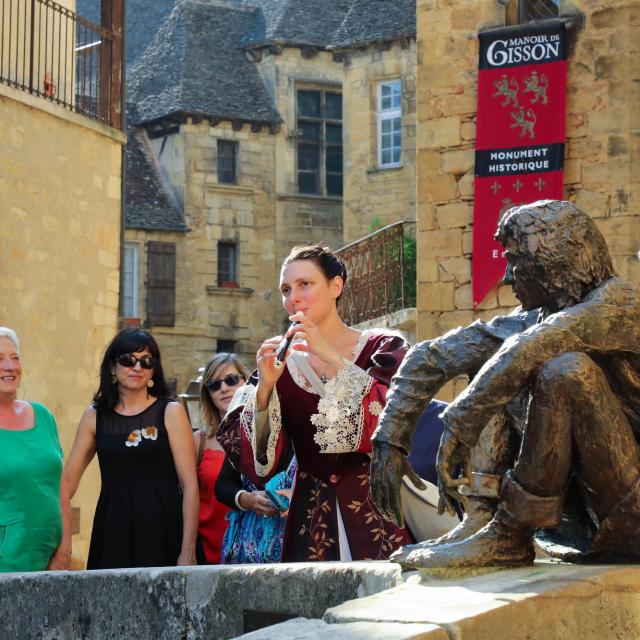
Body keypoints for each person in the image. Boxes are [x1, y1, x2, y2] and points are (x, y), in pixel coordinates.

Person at [371, 200, 640, 568]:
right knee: (496, 360)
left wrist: (459, 423)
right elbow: (429, 356)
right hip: (585, 523)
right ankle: (482, 520)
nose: (509, 277)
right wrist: (390, 439)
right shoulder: (532, 320)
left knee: (564, 371)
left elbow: (533, 347)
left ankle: (509, 535)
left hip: (632, 509)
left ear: (553, 259)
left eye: (516, 261)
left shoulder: (619, 305)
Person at [218, 245, 413, 561]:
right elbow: (252, 459)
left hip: (380, 511)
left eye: (304, 284)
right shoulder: (276, 365)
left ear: (336, 286)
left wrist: (331, 356)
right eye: (285, 289)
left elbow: (395, 418)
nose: (293, 297)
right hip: (310, 520)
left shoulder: (385, 347)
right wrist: (265, 388)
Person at [61, 328, 199, 569]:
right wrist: (62, 547)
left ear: (154, 370)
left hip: (163, 529)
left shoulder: (171, 412)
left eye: (147, 362)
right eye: (128, 360)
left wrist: (187, 551)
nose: (138, 368)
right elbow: (66, 485)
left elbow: (190, 486)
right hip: (112, 530)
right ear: (112, 368)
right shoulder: (94, 417)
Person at [0, 327, 68, 572]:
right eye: (0, 358)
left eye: (15, 357)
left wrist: (64, 553)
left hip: (51, 562)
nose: (9, 366)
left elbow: (60, 487)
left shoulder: (43, 415)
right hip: (6, 565)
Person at [193, 353, 243, 564]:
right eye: (214, 384)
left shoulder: (270, 435)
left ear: (246, 381)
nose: (224, 388)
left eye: (231, 380)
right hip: (209, 549)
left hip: (256, 546)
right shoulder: (198, 441)